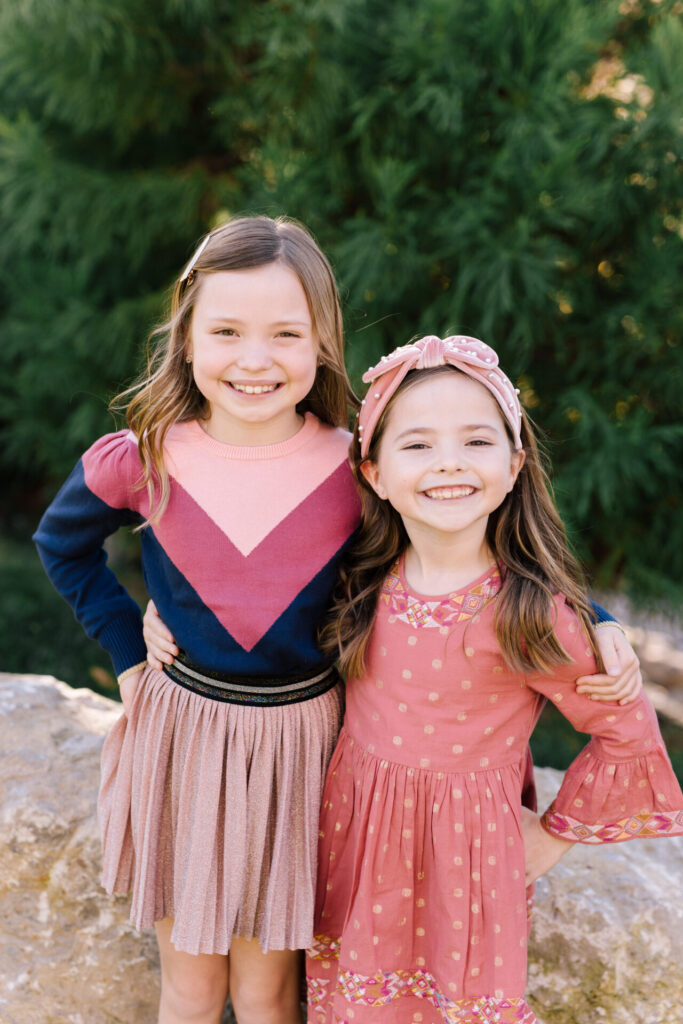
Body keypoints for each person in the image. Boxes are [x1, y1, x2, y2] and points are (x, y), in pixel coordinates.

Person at [33, 215, 363, 1024]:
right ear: (185, 336)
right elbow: (62, 544)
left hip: (302, 746)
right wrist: (129, 649)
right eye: (226, 331)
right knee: (190, 985)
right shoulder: (142, 455)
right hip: (184, 740)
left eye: (286, 333)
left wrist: (590, 619)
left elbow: (473, 549)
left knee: (269, 990)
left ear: (322, 341)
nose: (255, 360)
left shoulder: (360, 463)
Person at [304, 335, 683, 1024]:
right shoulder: (358, 582)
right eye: (416, 444)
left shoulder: (532, 613)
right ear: (373, 472)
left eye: (475, 442)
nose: (447, 461)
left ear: (513, 465)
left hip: (466, 865)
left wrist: (557, 833)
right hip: (357, 846)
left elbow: (625, 733)